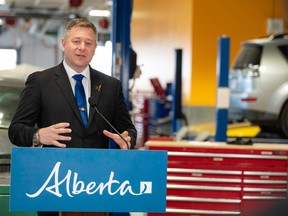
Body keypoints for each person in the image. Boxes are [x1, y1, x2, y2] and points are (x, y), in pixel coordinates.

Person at [8, 18, 137, 216]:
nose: (82, 48)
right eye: (76, 41)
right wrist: (38, 135)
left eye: (89, 43)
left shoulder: (110, 86)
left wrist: (127, 140)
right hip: (54, 185)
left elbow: (128, 130)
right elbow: (16, 130)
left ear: (95, 48)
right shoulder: (40, 81)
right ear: (63, 44)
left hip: (99, 185)